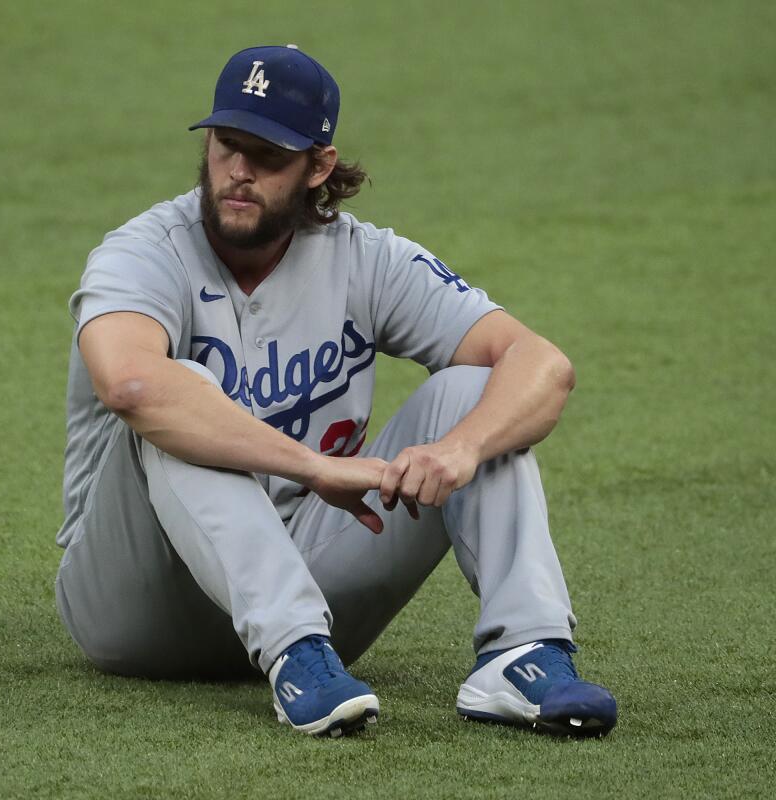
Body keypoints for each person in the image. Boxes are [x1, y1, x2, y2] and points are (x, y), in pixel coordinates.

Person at [54, 44, 618, 738]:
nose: (238, 171)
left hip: (316, 599)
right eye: (226, 145)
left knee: (479, 391)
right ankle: (292, 648)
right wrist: (315, 467)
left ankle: (525, 652)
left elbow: (543, 364)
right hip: (135, 602)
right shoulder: (144, 252)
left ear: (318, 165)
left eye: (266, 154)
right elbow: (133, 383)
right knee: (179, 394)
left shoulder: (364, 259)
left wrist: (462, 451)